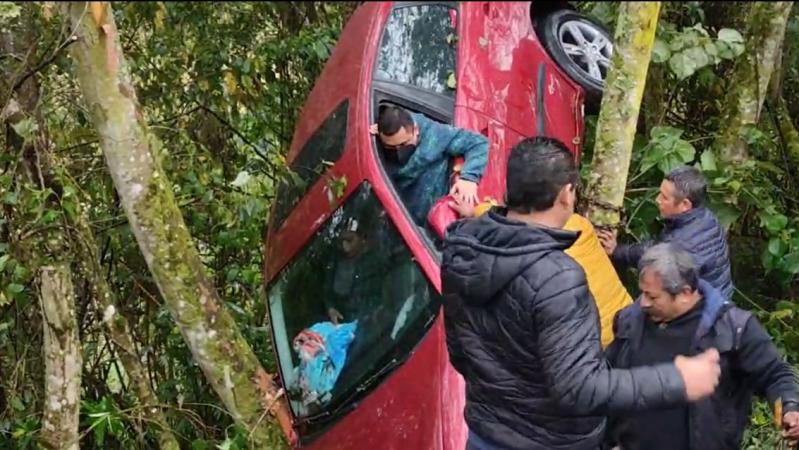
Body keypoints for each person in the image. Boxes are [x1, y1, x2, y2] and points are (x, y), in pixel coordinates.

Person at [441, 136, 722, 450]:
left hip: (484, 432)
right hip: (549, 440)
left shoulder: (461, 248)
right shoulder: (558, 276)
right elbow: (579, 390)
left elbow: (460, 353)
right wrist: (676, 380)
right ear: (566, 194)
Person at [604, 242, 799, 450]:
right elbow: (605, 379)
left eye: (652, 296)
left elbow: (774, 374)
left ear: (685, 293)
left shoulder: (733, 328)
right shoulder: (630, 321)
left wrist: (790, 407)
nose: (643, 302)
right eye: (642, 293)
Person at [448, 201, 632, 348]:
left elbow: (511, 226)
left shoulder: (534, 254)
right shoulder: (580, 226)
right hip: (630, 327)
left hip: (594, 346)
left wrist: (476, 211)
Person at [597, 165, 733, 300]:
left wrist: (617, 251)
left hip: (704, 308)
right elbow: (657, 247)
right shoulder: (706, 216)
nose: (657, 200)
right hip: (719, 297)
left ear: (685, 205)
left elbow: (653, 257)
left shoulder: (682, 243)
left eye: (664, 197)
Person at [370, 104, 488, 226]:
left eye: (404, 144)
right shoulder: (380, 140)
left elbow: (478, 143)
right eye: (390, 147)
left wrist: (469, 178)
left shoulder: (435, 135)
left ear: (416, 130)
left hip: (430, 217)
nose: (398, 150)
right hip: (397, 214)